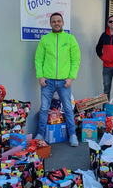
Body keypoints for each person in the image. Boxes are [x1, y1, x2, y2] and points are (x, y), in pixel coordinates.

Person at [34, 12, 81, 146]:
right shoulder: (45, 39)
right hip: (47, 81)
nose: (56, 23)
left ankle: (72, 135)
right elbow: (38, 58)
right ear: (50, 24)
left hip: (64, 81)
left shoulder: (70, 39)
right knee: (44, 108)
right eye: (54, 21)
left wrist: (71, 77)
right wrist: (40, 75)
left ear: (63, 22)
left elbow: (75, 60)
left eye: (58, 21)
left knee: (67, 108)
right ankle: (40, 134)